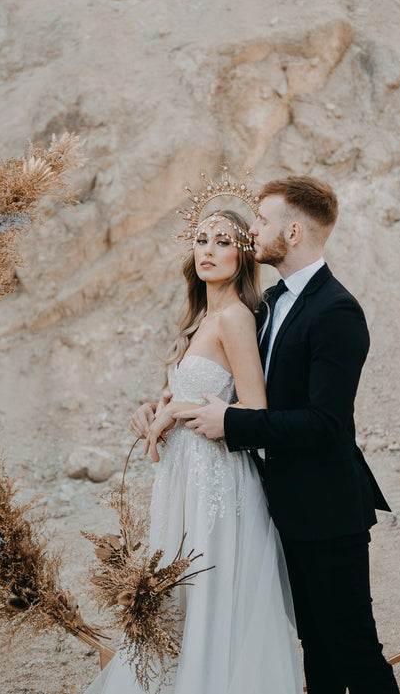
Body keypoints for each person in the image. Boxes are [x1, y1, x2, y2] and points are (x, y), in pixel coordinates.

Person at [173, 177, 400, 694]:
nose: (252, 231)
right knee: (316, 651)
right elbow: (225, 373)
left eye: (261, 221)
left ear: (293, 231)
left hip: (329, 511)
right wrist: (169, 406)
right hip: (287, 509)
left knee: (355, 652)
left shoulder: (336, 311)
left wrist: (232, 423)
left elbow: (325, 424)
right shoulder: (275, 301)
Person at [84, 208, 304, 694]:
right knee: (178, 591)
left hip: (218, 480)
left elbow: (252, 408)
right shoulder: (202, 317)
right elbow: (192, 395)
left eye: (222, 241)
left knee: (207, 587)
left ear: (243, 252)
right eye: (201, 239)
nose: (207, 249)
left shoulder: (235, 318)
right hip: (184, 476)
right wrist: (153, 409)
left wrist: (178, 408)